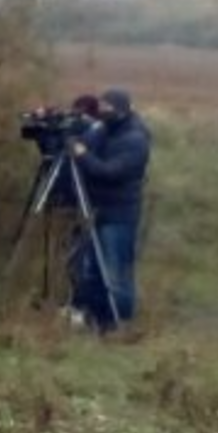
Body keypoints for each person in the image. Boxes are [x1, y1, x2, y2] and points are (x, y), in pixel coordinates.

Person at [68, 87, 150, 333]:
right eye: (100, 107)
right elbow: (85, 142)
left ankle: (118, 321)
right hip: (98, 210)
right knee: (90, 267)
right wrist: (75, 131)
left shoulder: (135, 140)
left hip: (120, 214)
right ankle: (94, 316)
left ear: (122, 111)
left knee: (116, 270)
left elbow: (109, 172)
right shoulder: (103, 130)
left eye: (107, 108)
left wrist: (82, 155)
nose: (102, 112)